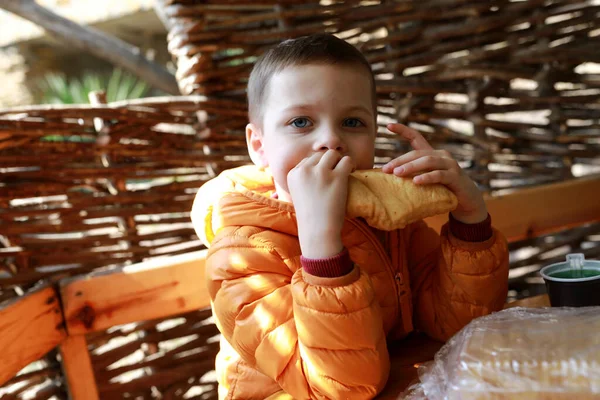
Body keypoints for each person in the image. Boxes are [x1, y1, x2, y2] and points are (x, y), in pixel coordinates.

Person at [191, 33, 509, 400]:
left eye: (353, 123)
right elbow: (344, 388)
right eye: (300, 122)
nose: (331, 140)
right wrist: (321, 245)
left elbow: (460, 326)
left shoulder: (390, 223)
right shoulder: (240, 258)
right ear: (259, 146)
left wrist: (470, 221)